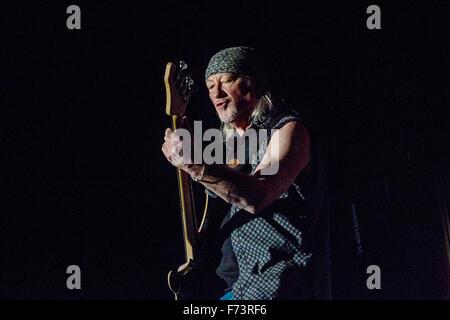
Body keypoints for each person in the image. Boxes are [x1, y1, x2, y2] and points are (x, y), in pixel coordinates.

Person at [161, 46, 331, 300]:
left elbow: (257, 195)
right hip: (234, 288)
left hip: (282, 283)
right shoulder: (229, 145)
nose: (216, 93)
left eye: (226, 80)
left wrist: (196, 166)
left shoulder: (286, 130)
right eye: (209, 86)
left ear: (253, 82)